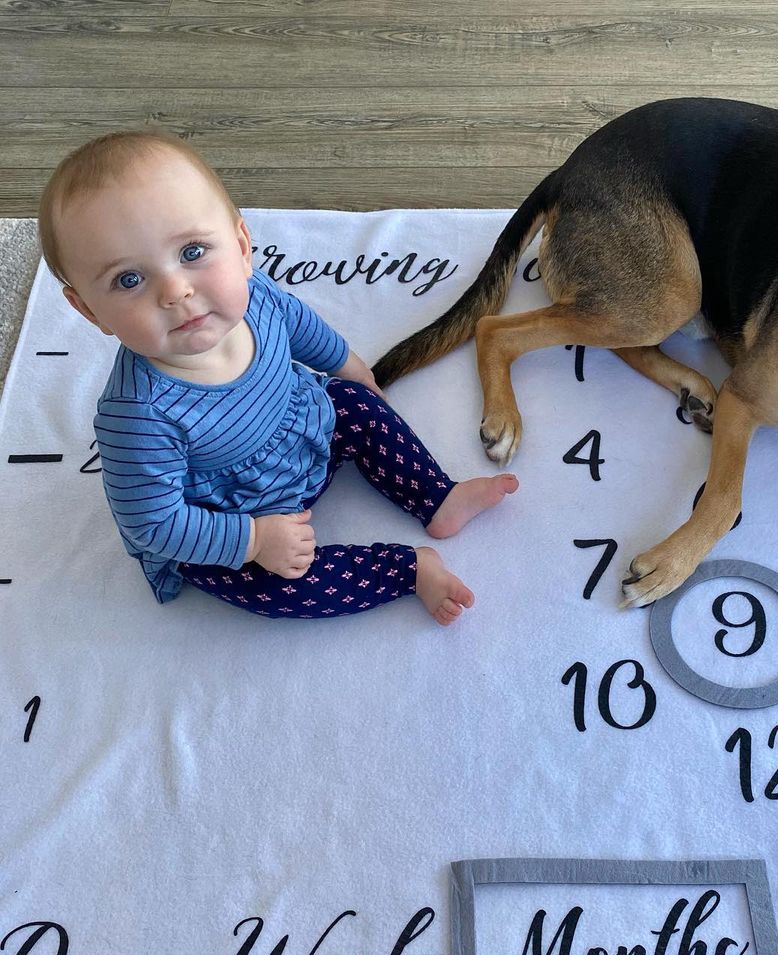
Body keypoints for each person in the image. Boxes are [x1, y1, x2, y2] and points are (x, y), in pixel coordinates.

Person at [38, 130, 517, 625]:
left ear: (242, 246)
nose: (176, 291)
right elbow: (152, 524)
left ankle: (437, 496)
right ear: (88, 310)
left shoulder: (256, 296)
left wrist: (353, 372)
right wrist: (254, 540)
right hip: (225, 515)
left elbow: (304, 329)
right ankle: (408, 569)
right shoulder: (138, 415)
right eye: (130, 280)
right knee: (280, 591)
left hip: (300, 436)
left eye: (193, 252)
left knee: (356, 402)